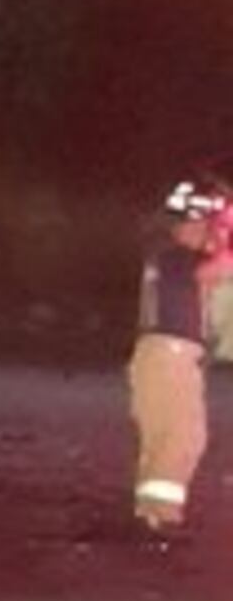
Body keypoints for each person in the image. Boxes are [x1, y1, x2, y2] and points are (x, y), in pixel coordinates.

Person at [128, 179, 233, 535]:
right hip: (169, 357)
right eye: (203, 226)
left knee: (163, 436)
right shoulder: (178, 257)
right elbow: (216, 271)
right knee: (184, 435)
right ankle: (161, 516)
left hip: (160, 356)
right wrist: (226, 230)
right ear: (187, 224)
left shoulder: (166, 255)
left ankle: (152, 514)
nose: (208, 234)